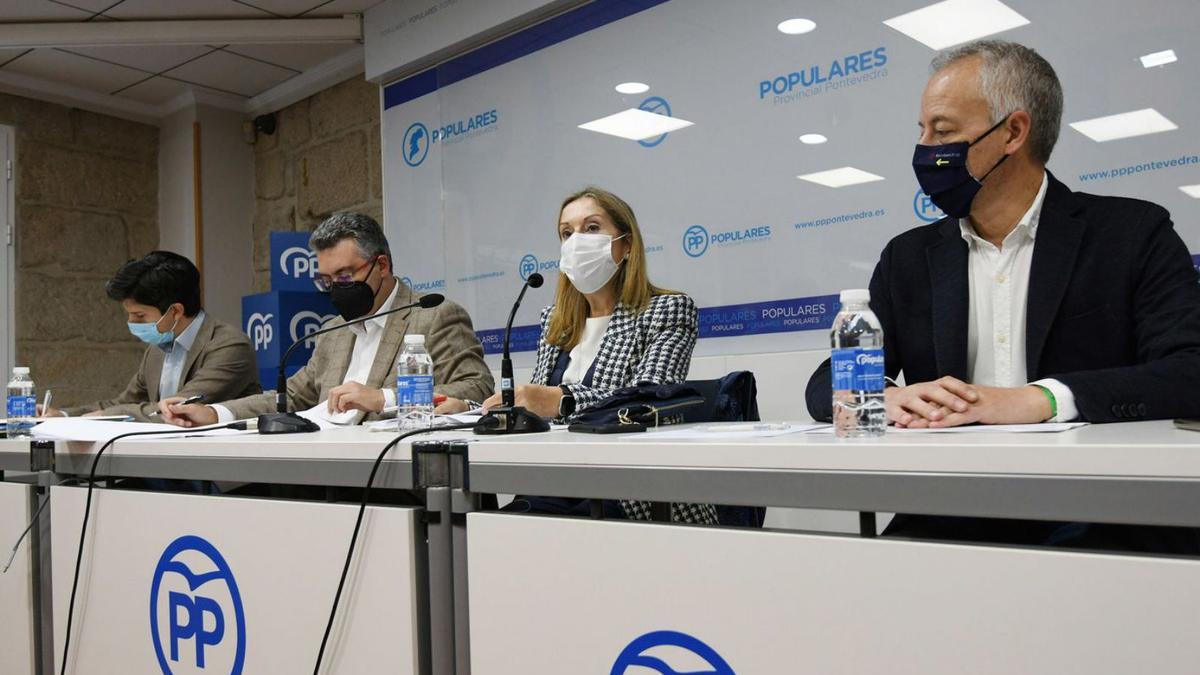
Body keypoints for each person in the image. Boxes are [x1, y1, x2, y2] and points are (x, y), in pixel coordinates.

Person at [805, 40, 1200, 551]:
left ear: (1013, 132)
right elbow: (824, 387)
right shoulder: (910, 256)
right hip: (951, 507)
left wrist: (1040, 399)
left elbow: (1189, 370)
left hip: (1101, 508)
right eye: (922, 131)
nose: (925, 148)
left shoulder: (1130, 232)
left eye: (942, 131)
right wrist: (886, 397)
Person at [471, 186, 715, 525]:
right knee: (485, 528)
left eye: (592, 228)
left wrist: (561, 400)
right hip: (554, 485)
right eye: (566, 233)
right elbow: (535, 409)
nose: (577, 242)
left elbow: (649, 400)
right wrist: (475, 409)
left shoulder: (668, 310)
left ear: (626, 245)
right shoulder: (555, 322)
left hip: (633, 495)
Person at [160, 212, 494, 427]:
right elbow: (289, 396)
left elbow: (477, 388)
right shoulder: (332, 330)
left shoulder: (434, 315)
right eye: (327, 280)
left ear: (382, 266)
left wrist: (384, 398)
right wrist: (215, 413)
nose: (336, 289)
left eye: (345, 276)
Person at [40, 251, 260, 422]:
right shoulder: (158, 347)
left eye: (139, 315)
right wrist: (64, 416)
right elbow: (125, 401)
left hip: (217, 468)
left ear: (175, 311)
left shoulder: (229, 346)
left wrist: (109, 415)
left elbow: (178, 409)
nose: (131, 323)